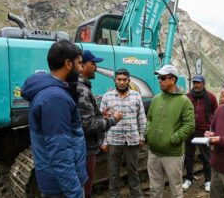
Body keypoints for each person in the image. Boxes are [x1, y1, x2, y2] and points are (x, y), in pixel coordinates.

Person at [21, 40, 87, 197]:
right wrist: (75, 193)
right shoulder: (55, 98)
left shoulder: (52, 92)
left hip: (59, 183)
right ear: (68, 63)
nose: (81, 69)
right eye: (79, 63)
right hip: (63, 187)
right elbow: (60, 152)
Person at [76, 50, 123, 198]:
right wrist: (113, 119)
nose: (96, 67)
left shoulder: (81, 87)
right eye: (93, 63)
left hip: (83, 145)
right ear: (82, 66)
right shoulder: (81, 90)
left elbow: (81, 117)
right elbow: (88, 125)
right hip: (86, 147)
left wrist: (99, 115)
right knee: (85, 188)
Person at [146, 65, 195, 198]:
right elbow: (149, 119)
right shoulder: (156, 99)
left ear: (173, 80)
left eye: (162, 78)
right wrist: (148, 134)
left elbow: (189, 125)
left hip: (172, 154)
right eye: (159, 78)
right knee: (155, 188)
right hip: (154, 153)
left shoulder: (184, 101)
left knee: (175, 188)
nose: (159, 80)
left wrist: (173, 139)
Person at [100, 69, 147, 198]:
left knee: (133, 170)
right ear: (115, 80)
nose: (121, 82)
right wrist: (103, 141)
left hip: (132, 140)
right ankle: (114, 195)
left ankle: (136, 194)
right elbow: (101, 121)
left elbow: (141, 118)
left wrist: (142, 136)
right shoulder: (107, 97)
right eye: (119, 79)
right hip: (113, 140)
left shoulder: (136, 96)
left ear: (128, 81)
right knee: (113, 172)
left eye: (124, 80)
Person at [182, 74, 218, 192]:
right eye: (194, 83)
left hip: (204, 132)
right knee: (189, 156)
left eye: (198, 82)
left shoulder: (211, 97)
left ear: (203, 83)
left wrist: (211, 128)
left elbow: (216, 114)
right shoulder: (187, 97)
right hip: (190, 131)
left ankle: (208, 180)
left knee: (206, 157)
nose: (196, 85)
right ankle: (189, 179)